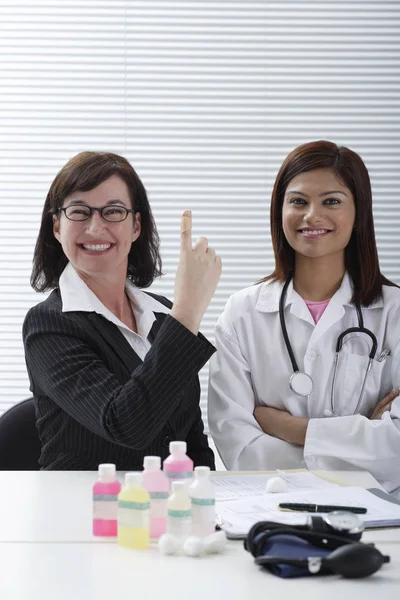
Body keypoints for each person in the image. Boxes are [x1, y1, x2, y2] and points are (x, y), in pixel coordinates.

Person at [208, 140, 400, 495]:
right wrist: (361, 439)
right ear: (279, 211)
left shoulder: (394, 312)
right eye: (298, 201)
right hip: (272, 513)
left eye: (332, 201)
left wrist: (291, 428)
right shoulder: (243, 313)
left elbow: (397, 450)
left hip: (380, 520)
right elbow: (241, 451)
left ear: (359, 212)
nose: (312, 215)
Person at [23, 151, 221, 470]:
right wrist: (188, 309)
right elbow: (124, 424)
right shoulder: (48, 324)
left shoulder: (164, 317)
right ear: (57, 226)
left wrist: (208, 506)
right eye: (79, 212)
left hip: (171, 509)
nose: (95, 227)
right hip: (86, 508)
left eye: (113, 211)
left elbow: (192, 441)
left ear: (136, 226)